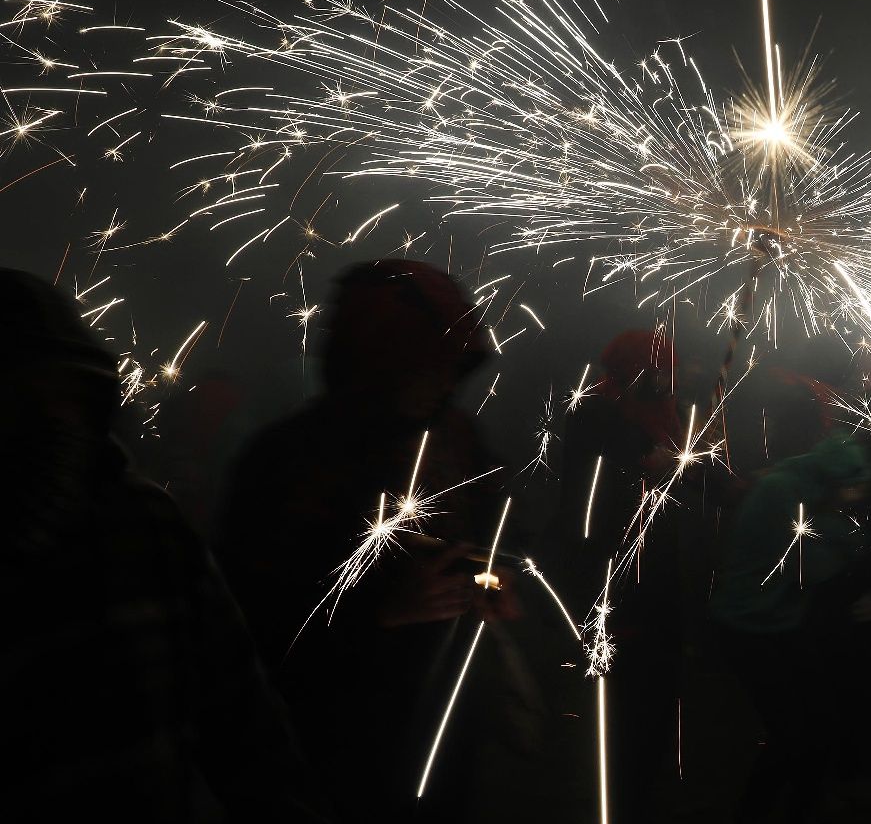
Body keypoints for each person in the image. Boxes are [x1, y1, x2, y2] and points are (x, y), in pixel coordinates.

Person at [0, 269, 328, 822]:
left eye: (70, 398)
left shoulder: (141, 521)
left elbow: (246, 724)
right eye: (28, 398)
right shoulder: (137, 515)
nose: (58, 421)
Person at [218, 260, 513, 822]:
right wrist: (380, 612)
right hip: (332, 739)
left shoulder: (456, 439)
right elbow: (248, 622)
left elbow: (493, 527)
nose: (444, 382)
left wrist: (493, 574)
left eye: (453, 366)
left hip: (438, 721)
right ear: (380, 357)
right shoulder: (289, 461)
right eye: (429, 364)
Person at [710, 426, 871, 823]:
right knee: (790, 734)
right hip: (748, 626)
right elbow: (811, 566)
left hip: (782, 621)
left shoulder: (807, 482)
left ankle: (806, 806)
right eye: (849, 490)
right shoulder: (784, 493)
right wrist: (860, 542)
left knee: (820, 723)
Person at [559, 328, 690, 821]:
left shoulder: (653, 408)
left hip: (651, 568)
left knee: (655, 688)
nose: (667, 379)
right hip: (613, 569)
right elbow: (644, 466)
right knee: (625, 693)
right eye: (658, 369)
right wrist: (673, 460)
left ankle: (640, 787)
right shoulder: (598, 411)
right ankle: (619, 795)